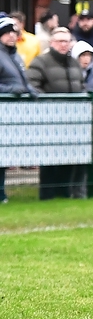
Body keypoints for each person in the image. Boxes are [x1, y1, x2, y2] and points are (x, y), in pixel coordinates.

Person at [27, 27, 87, 200]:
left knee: (69, 157)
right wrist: (50, 106)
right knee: (50, 159)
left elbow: (81, 86)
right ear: (52, 43)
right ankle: (47, 195)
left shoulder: (74, 63)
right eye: (60, 41)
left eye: (66, 41)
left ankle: (65, 193)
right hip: (51, 118)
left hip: (74, 118)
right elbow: (33, 86)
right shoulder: (41, 61)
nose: (63, 45)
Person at [0, 16, 37, 204]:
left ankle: (2, 193)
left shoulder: (15, 55)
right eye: (7, 33)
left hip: (11, 113)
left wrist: (29, 89)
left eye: (14, 33)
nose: (11, 36)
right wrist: (10, 90)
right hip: (3, 110)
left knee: (4, 155)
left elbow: (21, 80)